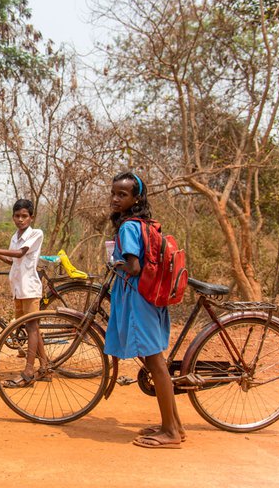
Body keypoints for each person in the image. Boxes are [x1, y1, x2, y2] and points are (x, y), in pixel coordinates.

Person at [106, 171, 185, 449]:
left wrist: (115, 264)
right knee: (157, 363)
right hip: (151, 298)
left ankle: (170, 433)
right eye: (114, 193)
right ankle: (174, 425)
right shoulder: (145, 223)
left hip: (137, 300)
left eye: (122, 194)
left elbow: (134, 267)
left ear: (136, 198)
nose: (115, 199)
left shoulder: (128, 227)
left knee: (156, 364)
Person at [0, 199, 46, 387]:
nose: (20, 220)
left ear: (31, 217)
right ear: (13, 217)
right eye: (17, 216)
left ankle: (29, 371)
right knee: (33, 328)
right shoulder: (15, 236)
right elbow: (11, 260)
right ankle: (45, 367)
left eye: (24, 216)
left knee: (31, 328)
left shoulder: (36, 234)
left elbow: (20, 254)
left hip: (29, 287)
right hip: (17, 288)